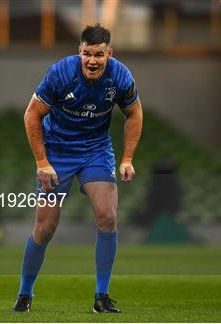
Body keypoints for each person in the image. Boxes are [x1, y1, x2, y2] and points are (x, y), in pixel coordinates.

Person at [13, 24, 143, 313]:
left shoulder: (120, 76)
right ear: (79, 52)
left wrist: (127, 158)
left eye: (98, 54)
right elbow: (32, 115)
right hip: (57, 151)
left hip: (96, 150)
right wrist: (42, 162)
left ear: (109, 53)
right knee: (45, 228)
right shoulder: (61, 73)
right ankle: (25, 293)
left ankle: (102, 296)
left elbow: (134, 112)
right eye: (87, 54)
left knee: (107, 217)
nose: (92, 61)